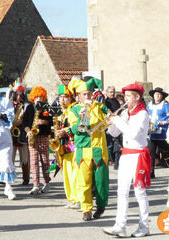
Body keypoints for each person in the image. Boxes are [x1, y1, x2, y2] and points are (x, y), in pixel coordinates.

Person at [103, 83, 151, 237]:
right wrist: (109, 123)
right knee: (121, 191)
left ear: (137, 97)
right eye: (125, 96)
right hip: (126, 155)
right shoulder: (126, 113)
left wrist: (117, 121)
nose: (125, 99)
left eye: (129, 96)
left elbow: (133, 133)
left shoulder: (142, 113)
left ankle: (144, 226)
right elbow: (116, 133)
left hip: (138, 155)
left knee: (139, 192)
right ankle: (120, 225)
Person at [68, 78, 109, 221]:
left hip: (99, 148)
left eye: (89, 93)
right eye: (84, 94)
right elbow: (76, 130)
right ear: (78, 96)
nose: (87, 97)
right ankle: (86, 209)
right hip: (82, 150)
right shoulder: (73, 110)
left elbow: (109, 118)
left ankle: (101, 207)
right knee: (83, 182)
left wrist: (109, 116)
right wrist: (82, 118)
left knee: (101, 182)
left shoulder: (100, 106)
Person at [51, 84, 79, 208]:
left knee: (75, 172)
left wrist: (65, 131)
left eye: (65, 97)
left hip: (73, 145)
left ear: (71, 98)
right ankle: (71, 198)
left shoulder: (74, 109)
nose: (62, 100)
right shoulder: (62, 111)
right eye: (61, 97)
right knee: (67, 172)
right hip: (64, 145)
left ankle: (78, 199)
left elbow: (77, 126)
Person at [24, 86, 52, 194]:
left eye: (40, 97)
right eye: (36, 97)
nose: (38, 99)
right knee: (34, 162)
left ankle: (47, 183)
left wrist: (43, 122)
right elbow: (25, 123)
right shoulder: (30, 108)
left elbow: (51, 121)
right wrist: (28, 131)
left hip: (43, 136)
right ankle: (35, 185)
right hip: (32, 137)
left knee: (45, 161)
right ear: (33, 98)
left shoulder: (46, 108)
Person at [147, 87, 169, 178]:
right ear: (153, 96)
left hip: (162, 133)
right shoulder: (149, 105)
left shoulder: (166, 105)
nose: (157, 96)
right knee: (151, 154)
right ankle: (151, 173)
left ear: (162, 96)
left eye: (159, 95)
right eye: (156, 95)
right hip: (151, 133)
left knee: (166, 153)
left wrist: (163, 122)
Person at [10, 81, 31, 185]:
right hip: (11, 133)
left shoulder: (27, 106)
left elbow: (30, 119)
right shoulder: (9, 105)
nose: (18, 96)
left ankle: (26, 178)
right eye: (16, 94)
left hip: (22, 133)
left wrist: (22, 121)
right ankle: (8, 177)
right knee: (10, 157)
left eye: (20, 94)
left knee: (25, 157)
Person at [104, 86, 121, 167]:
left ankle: (115, 160)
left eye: (113, 92)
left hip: (117, 123)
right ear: (107, 93)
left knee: (116, 143)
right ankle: (110, 160)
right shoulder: (105, 102)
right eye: (110, 92)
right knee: (109, 143)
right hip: (109, 124)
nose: (112, 93)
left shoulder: (116, 101)